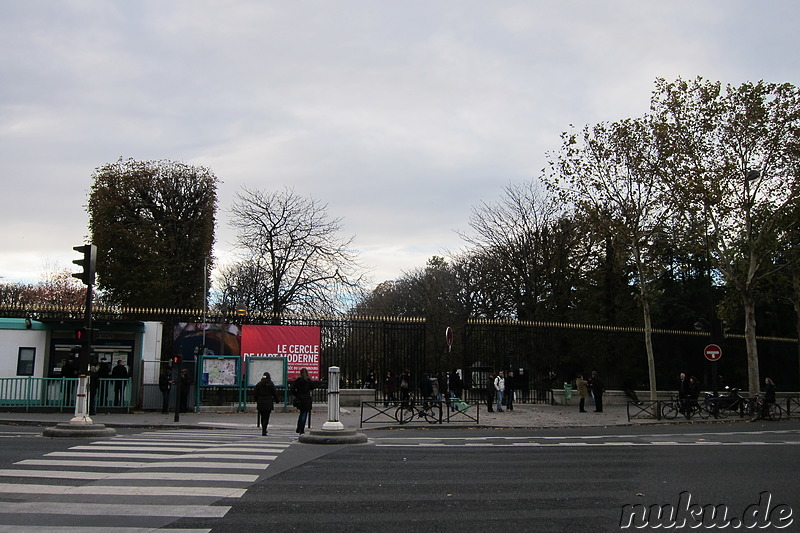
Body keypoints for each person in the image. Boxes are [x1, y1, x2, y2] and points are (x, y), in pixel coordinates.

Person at [291, 368, 316, 434]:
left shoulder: (298, 380)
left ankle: (298, 427)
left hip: (300, 399)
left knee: (301, 413)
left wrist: (297, 395)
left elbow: (292, 389)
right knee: (304, 414)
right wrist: (310, 379)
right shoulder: (308, 381)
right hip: (306, 399)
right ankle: (301, 429)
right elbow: (313, 387)